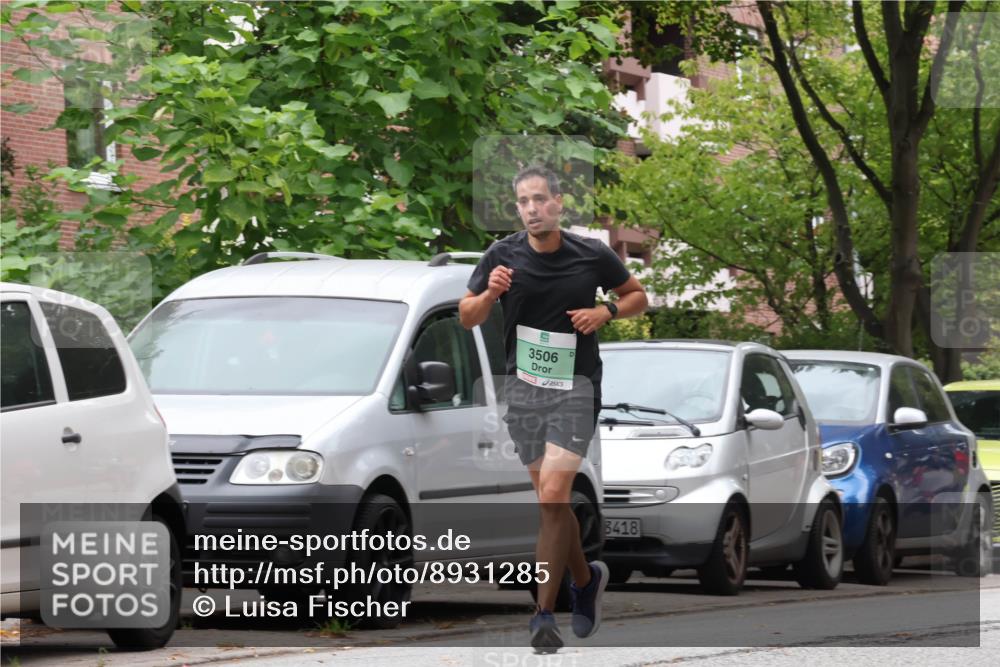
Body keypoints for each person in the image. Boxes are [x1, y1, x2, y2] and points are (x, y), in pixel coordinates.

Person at [459, 165, 648, 652]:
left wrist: (604, 311)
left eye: (540, 199)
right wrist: (490, 292)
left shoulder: (591, 253)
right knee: (552, 503)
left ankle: (543, 615)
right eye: (523, 201)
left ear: (559, 203)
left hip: (575, 390)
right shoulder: (501, 256)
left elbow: (637, 297)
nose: (531, 209)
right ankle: (585, 580)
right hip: (524, 394)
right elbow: (467, 317)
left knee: (554, 495)